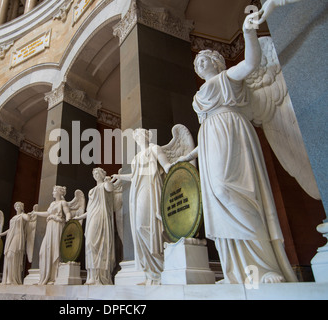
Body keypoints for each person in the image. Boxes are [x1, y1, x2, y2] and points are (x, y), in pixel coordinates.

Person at [175, 12, 298, 284]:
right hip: (210, 141)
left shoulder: (228, 78)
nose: (201, 62)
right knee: (217, 194)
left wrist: (249, 33)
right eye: (197, 62)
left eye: (205, 58)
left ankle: (264, 266)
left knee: (241, 194)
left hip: (233, 132)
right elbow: (202, 132)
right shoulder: (198, 97)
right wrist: (190, 154)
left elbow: (253, 62)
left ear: (218, 62)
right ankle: (237, 270)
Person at [111, 128, 172, 285]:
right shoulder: (136, 158)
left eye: (140, 134)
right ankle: (151, 273)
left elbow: (167, 166)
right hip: (137, 191)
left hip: (151, 188)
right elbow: (133, 176)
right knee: (138, 227)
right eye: (135, 135)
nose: (137, 137)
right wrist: (119, 176)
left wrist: (177, 171)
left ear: (146, 135)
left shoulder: (154, 149)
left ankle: (161, 267)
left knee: (149, 226)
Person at [75, 168, 116, 285]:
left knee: (101, 243)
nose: (96, 175)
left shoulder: (105, 185)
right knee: (89, 243)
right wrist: (79, 218)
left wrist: (108, 181)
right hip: (92, 216)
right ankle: (92, 275)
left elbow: (110, 188)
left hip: (101, 216)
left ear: (103, 174)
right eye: (94, 173)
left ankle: (102, 275)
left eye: (98, 173)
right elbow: (89, 209)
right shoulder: (91, 191)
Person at [32, 186, 72, 285]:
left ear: (59, 192)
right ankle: (46, 276)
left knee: (55, 249)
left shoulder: (63, 203)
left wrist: (68, 220)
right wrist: (36, 213)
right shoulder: (52, 203)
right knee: (43, 251)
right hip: (50, 227)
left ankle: (53, 277)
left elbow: (68, 213)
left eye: (54, 190)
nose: (53, 192)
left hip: (57, 226)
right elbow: (47, 213)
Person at [0, 202, 35, 285]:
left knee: (12, 255)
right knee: (8, 256)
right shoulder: (13, 218)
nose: (18, 207)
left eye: (19, 206)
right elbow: (10, 229)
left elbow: (28, 219)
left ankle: (14, 278)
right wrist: (0, 234)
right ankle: (8, 278)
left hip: (18, 236)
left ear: (22, 207)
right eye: (16, 206)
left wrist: (30, 214)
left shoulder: (22, 215)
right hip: (10, 236)